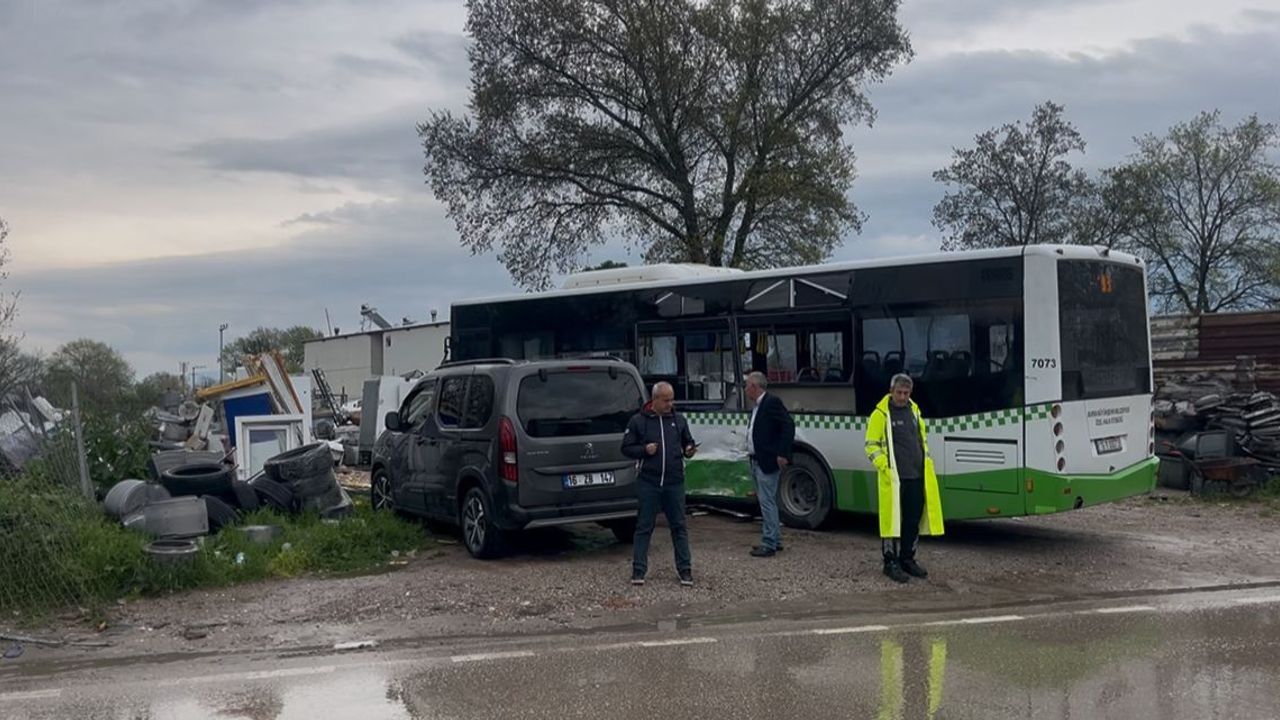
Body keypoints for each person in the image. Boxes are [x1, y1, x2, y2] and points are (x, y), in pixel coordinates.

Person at [864, 374, 944, 583]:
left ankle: (907, 558)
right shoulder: (880, 414)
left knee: (912, 520)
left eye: (906, 393)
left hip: (916, 476)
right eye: (899, 392)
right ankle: (890, 561)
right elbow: (871, 445)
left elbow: (921, 441)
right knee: (891, 522)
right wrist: (885, 466)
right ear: (891, 391)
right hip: (894, 479)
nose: (902, 397)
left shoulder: (914, 411)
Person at [621, 381, 697, 586]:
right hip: (649, 482)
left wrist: (689, 449)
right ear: (654, 400)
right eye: (665, 400)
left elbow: (687, 442)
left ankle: (685, 569)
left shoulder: (679, 420)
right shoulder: (638, 421)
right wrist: (644, 450)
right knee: (644, 526)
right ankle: (638, 570)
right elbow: (626, 448)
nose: (669, 404)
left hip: (674, 482)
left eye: (671, 400)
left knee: (679, 526)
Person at [743, 371, 795, 557]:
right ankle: (775, 538)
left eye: (747, 386)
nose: (745, 390)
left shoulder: (771, 402)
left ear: (754, 387)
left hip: (767, 460)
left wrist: (782, 453)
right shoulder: (758, 406)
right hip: (757, 459)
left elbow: (788, 425)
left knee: (767, 502)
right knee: (766, 500)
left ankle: (769, 542)